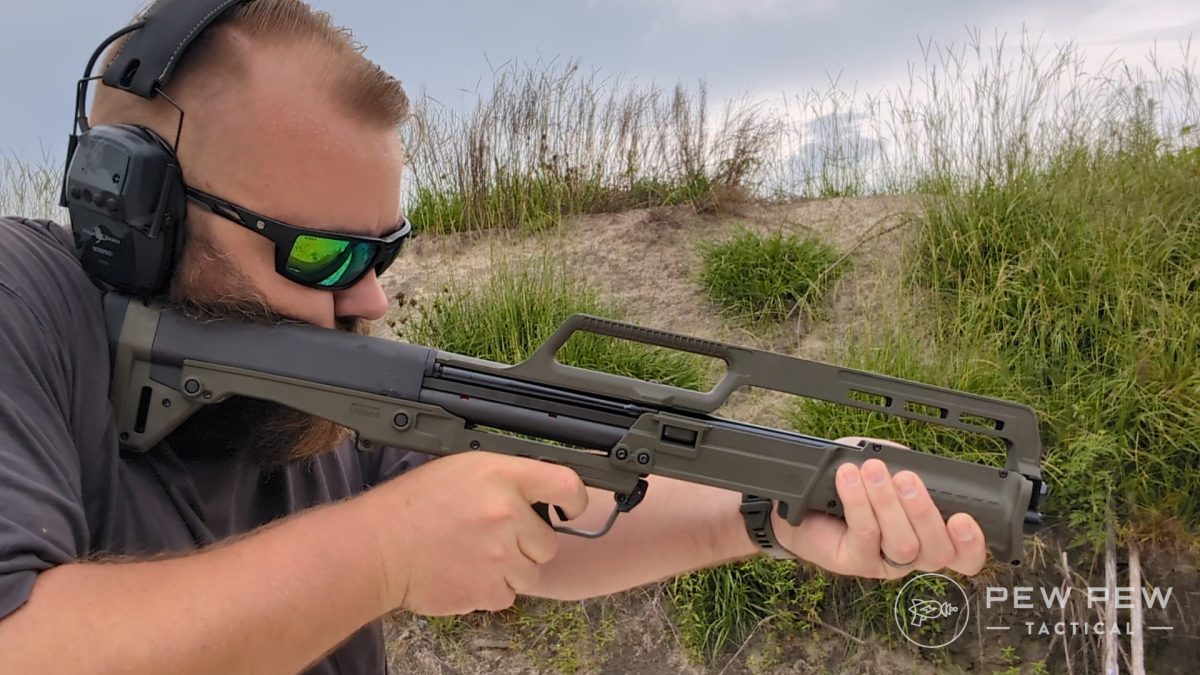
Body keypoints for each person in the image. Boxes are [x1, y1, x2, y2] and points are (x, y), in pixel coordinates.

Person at [0, 1, 989, 673]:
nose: (373, 301)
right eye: (324, 256)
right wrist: (382, 555)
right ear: (132, 215)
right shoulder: (23, 305)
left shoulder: (303, 389)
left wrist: (771, 510)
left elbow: (544, 522)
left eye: (383, 253)